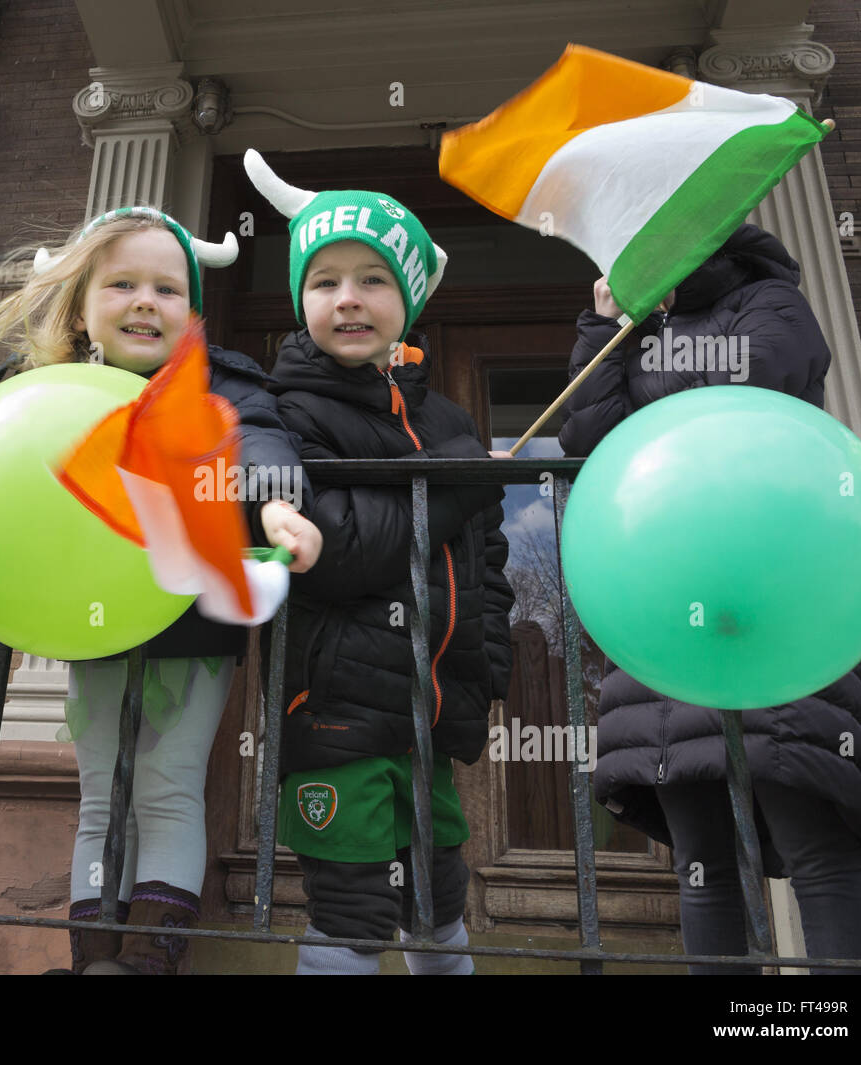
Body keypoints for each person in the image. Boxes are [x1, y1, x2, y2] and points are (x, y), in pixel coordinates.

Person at [0, 206, 323, 974]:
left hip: (190, 624)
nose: (147, 300)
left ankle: (150, 956)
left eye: (168, 289)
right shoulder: (34, 391)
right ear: (81, 308)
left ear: (193, 313)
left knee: (169, 785)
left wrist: (274, 497)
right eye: (122, 284)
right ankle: (93, 958)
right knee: (100, 796)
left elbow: (261, 441)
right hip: (86, 622)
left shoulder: (226, 381)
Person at [559, 223, 861, 974]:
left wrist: (666, 325)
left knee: (819, 848)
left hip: (773, 603)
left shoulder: (768, 300)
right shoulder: (628, 332)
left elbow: (743, 402)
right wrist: (608, 326)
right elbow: (593, 443)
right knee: (702, 861)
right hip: (664, 622)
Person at [243, 149, 514, 975]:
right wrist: (449, 493)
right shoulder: (285, 411)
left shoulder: (454, 424)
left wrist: (490, 657)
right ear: (301, 302)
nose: (349, 298)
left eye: (374, 279)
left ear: (410, 299)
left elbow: (488, 559)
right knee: (353, 909)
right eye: (325, 282)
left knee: (438, 901)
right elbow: (333, 548)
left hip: (432, 712)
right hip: (337, 710)